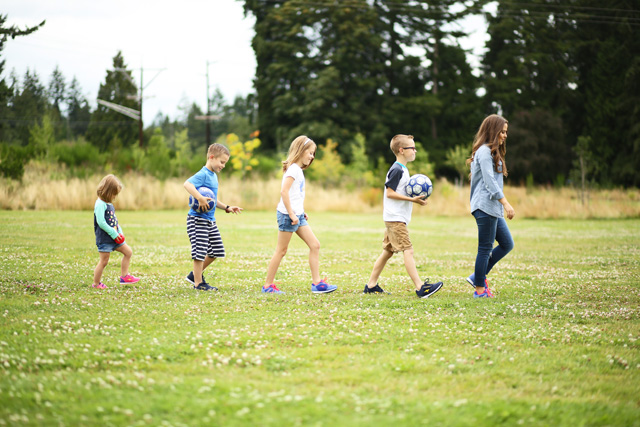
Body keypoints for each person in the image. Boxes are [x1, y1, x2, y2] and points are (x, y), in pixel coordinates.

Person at [364, 134, 443, 298]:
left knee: (387, 252)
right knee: (409, 250)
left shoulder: (403, 169)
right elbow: (390, 193)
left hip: (395, 218)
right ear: (401, 150)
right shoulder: (397, 169)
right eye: (412, 148)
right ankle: (420, 287)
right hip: (395, 219)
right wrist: (412, 199)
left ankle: (371, 285)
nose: (415, 151)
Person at [262, 135, 337, 294]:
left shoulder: (298, 170)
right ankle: (268, 286)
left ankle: (316, 283)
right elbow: (284, 192)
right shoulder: (293, 169)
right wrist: (292, 214)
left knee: (315, 245)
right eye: (310, 152)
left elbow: (295, 195)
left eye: (313, 153)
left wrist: (301, 212)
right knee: (281, 250)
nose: (312, 156)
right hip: (288, 216)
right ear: (300, 151)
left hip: (297, 215)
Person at [466, 114, 515, 298]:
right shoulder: (484, 152)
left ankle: (477, 276)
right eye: (502, 132)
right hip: (484, 206)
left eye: (505, 132)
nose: (505, 135)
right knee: (485, 248)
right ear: (493, 132)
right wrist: (506, 203)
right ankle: (480, 290)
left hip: (492, 207)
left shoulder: (492, 152)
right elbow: (489, 182)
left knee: (507, 243)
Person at [184, 143, 242, 291]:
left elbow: (212, 200)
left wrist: (227, 207)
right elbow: (187, 184)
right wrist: (200, 198)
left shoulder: (214, 176)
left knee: (217, 250)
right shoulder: (203, 174)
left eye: (225, 163)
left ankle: (193, 276)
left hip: (210, 221)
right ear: (211, 157)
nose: (223, 165)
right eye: (222, 162)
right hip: (197, 220)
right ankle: (198, 283)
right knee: (200, 252)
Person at [92, 174, 139, 289]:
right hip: (105, 238)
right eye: (114, 194)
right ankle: (96, 284)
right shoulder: (99, 204)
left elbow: (115, 222)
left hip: (115, 237)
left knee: (128, 252)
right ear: (108, 191)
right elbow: (101, 222)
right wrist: (114, 234)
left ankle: (124, 277)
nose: (115, 197)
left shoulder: (109, 204)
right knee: (104, 261)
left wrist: (120, 233)